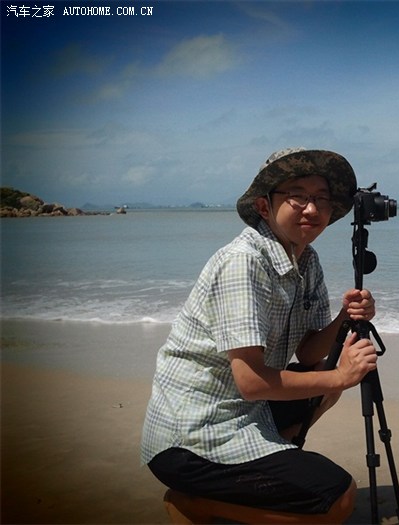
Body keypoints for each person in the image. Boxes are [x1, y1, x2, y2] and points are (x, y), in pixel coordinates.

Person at [141, 148, 378, 523]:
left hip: (247, 411)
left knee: (323, 383)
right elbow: (251, 382)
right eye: (297, 196)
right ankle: (193, 502)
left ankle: (265, 476)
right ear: (264, 206)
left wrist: (343, 318)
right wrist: (342, 376)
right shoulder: (244, 261)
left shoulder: (306, 259)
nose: (312, 209)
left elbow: (308, 352)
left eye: (321, 198)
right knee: (337, 499)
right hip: (194, 436)